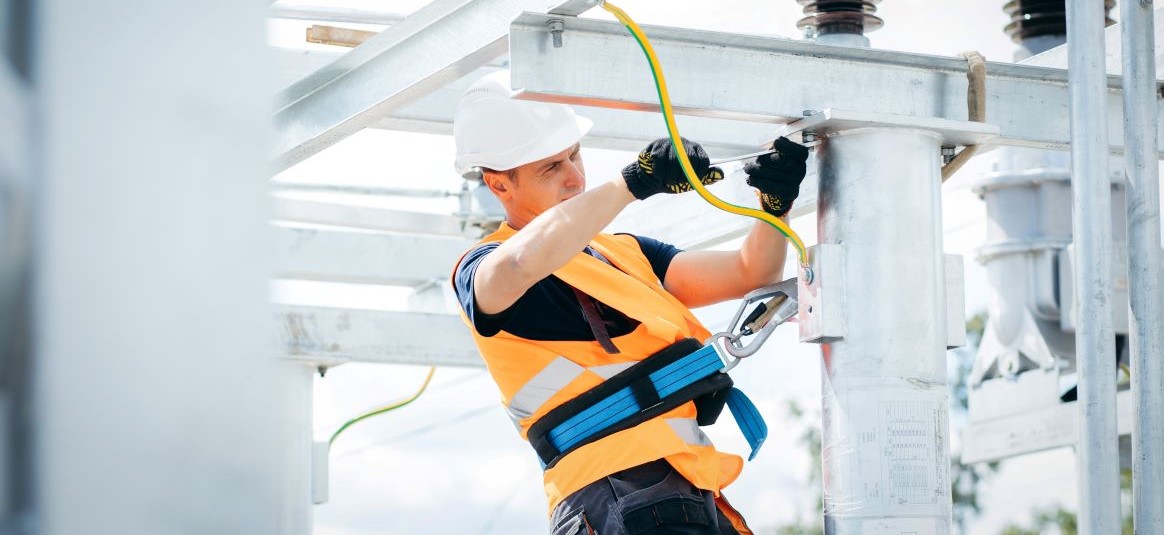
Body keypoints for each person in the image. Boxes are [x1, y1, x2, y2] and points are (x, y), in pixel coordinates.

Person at [450, 73, 808, 535]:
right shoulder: (483, 268)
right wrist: (631, 183)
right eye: (550, 167)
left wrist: (773, 206)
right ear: (500, 185)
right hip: (611, 490)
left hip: (683, 484)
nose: (575, 177)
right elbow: (520, 263)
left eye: (574, 154)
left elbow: (749, 274)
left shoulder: (623, 252)